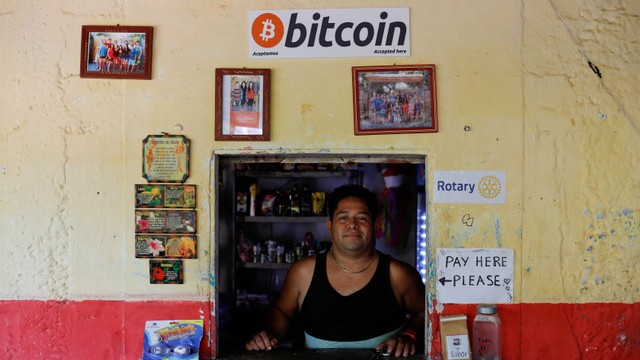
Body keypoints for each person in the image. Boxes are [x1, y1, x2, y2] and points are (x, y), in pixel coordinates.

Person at [245, 184, 425, 357]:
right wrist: (269, 334)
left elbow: (424, 312)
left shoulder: (399, 274)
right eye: (343, 217)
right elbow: (282, 311)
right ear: (330, 226)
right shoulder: (304, 272)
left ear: (376, 226)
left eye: (362, 218)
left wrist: (410, 335)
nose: (352, 224)